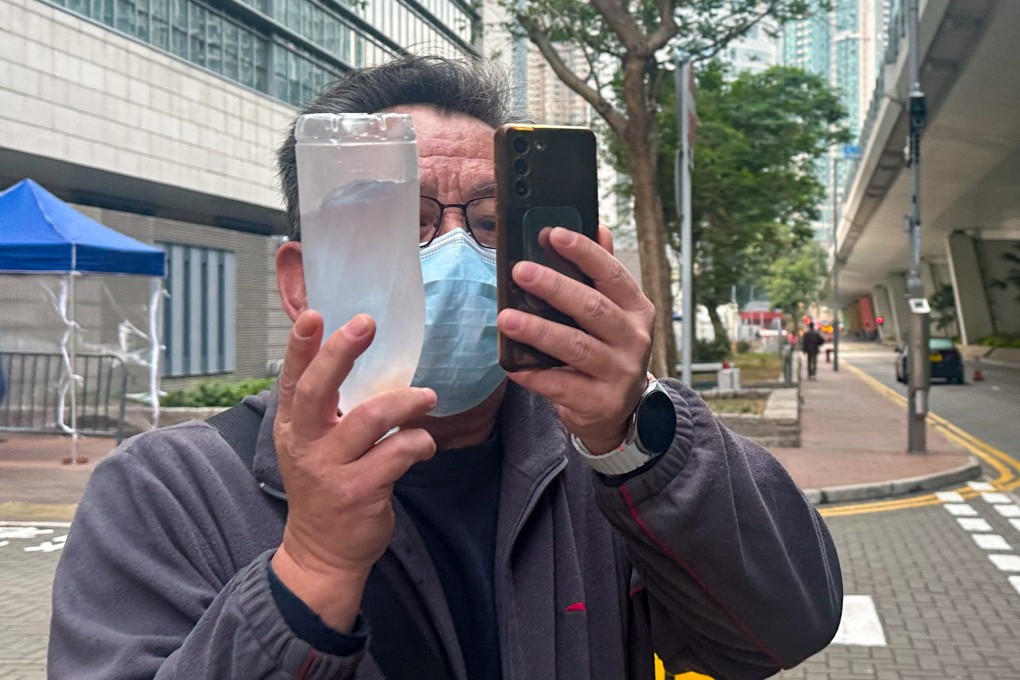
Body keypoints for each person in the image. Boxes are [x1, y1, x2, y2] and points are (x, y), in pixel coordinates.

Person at [49, 56, 842, 679]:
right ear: (299, 280)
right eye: (398, 218)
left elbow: (780, 629)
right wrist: (311, 567)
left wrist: (637, 436)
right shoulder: (168, 493)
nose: (454, 251)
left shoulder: (595, 466)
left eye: (494, 222)